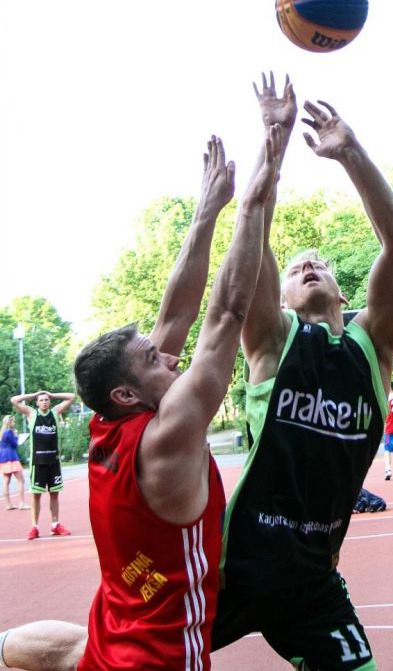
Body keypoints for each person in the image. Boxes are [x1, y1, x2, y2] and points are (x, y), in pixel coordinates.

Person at [0, 127, 282, 671]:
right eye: (154, 359)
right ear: (126, 392)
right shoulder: (169, 434)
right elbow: (227, 314)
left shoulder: (111, 423)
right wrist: (256, 194)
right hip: (161, 661)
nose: (171, 359)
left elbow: (177, 313)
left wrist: (205, 212)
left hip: (115, 634)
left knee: (75, 650)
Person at [210, 74, 393, 671]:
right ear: (280, 298)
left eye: (320, 263)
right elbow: (254, 231)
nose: (309, 265)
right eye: (298, 266)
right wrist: (272, 145)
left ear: (342, 292)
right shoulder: (272, 340)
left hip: (312, 581)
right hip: (234, 565)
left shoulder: (371, 350)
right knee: (112, 658)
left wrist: (350, 152)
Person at [10, 389, 75, 538]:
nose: (44, 402)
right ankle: (35, 527)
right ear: (37, 403)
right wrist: (34, 395)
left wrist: (52, 394)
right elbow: (14, 400)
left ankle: (55, 525)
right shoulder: (32, 414)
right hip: (38, 462)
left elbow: (72, 397)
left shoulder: (55, 412)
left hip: (54, 461)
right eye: (41, 400)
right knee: (36, 495)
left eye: (46, 400)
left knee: (54, 494)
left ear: (49, 401)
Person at [0, 415, 29, 510]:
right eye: (13, 421)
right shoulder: (9, 432)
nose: (14, 423)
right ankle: (21, 503)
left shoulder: (2, 432)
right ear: (9, 422)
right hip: (11, 457)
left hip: (3, 458)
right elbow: (15, 444)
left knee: (6, 481)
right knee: (21, 480)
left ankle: (8, 504)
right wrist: (16, 436)